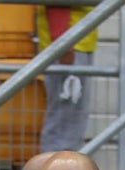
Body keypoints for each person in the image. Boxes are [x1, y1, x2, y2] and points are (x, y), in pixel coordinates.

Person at [38, 5, 98, 152]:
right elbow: (58, 4)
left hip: (75, 42)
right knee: (64, 119)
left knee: (70, 116)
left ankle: (64, 165)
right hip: (70, 43)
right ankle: (59, 168)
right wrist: (63, 42)